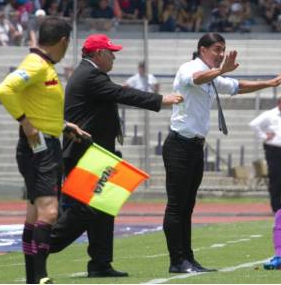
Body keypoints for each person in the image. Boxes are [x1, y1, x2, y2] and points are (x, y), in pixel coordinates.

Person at [48, 34, 183, 278]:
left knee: (104, 207)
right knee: (87, 209)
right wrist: (160, 99)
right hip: (85, 153)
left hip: (96, 152)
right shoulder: (90, 75)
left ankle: (100, 263)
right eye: (111, 53)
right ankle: (45, 245)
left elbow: (113, 95)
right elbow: (122, 95)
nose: (114, 57)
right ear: (98, 54)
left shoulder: (90, 74)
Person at [163, 33, 281, 274]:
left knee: (187, 206)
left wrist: (271, 83)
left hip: (194, 147)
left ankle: (187, 259)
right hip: (179, 145)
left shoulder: (212, 75)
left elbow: (238, 86)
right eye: (217, 49)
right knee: (177, 206)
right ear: (202, 50)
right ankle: (177, 261)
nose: (221, 54)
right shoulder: (191, 68)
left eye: (223, 49)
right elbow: (197, 79)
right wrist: (221, 71)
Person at [0, 17, 90, 284]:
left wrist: (64, 126)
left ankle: (32, 279)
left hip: (46, 143)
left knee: (35, 214)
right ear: (63, 41)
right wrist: (25, 122)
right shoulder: (37, 65)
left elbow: (40, 108)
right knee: (49, 213)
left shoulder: (43, 65)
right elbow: (5, 89)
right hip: (40, 148)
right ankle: (41, 277)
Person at [249, 96, 281, 213]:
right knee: (277, 179)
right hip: (275, 151)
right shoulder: (270, 114)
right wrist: (264, 136)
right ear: (279, 104)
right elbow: (253, 124)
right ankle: (277, 207)